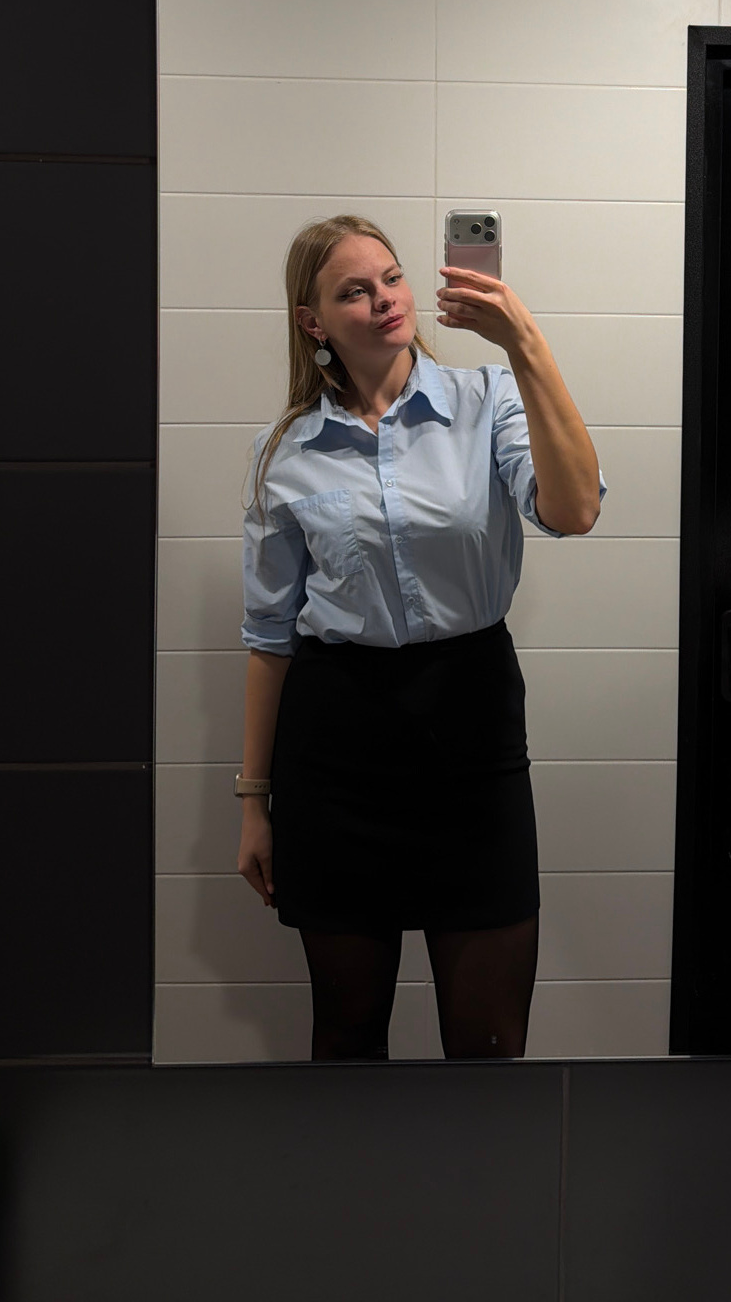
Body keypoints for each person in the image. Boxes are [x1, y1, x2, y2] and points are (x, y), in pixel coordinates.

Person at [235, 213, 604, 1060]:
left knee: (489, 1042)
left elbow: (575, 509)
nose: (384, 299)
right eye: (354, 291)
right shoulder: (283, 453)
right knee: (346, 1035)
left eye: (392, 278)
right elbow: (269, 637)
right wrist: (253, 804)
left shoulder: (490, 400)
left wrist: (525, 345)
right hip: (336, 749)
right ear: (313, 322)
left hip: (470, 729)